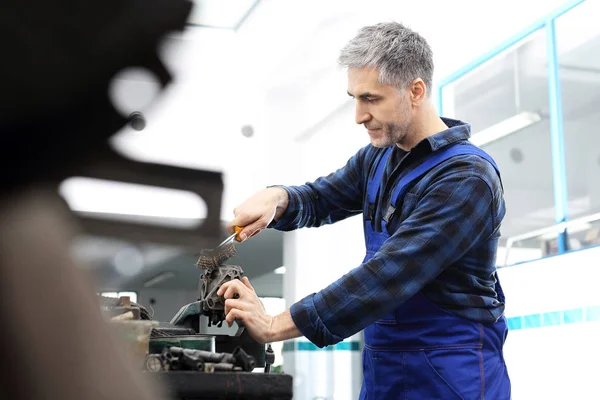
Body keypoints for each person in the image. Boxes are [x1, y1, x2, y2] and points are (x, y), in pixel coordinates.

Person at [217, 21, 511, 399]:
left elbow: (388, 275)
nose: (358, 115)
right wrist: (277, 198)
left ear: (415, 91)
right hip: (384, 371)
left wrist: (276, 324)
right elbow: (321, 197)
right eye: (354, 98)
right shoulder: (378, 159)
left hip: (453, 377)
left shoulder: (467, 179)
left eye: (371, 99)